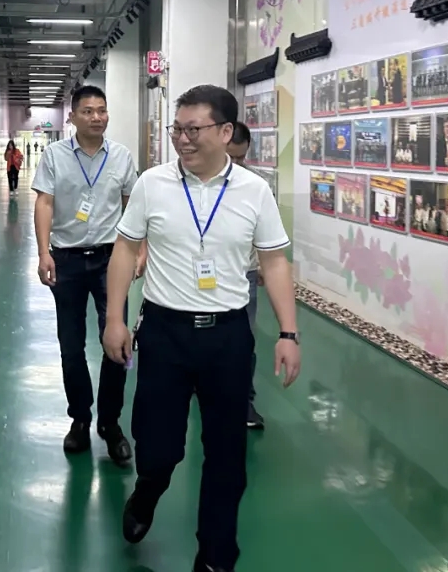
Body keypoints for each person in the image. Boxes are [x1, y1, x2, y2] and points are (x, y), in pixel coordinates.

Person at [102, 84, 301, 572]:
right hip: (164, 332)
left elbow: (274, 262)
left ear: (226, 131)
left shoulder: (254, 191)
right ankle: (148, 490)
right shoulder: (152, 184)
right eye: (178, 130)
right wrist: (114, 318)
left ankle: (215, 556)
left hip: (228, 337)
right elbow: (126, 249)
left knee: (227, 455)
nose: (183, 140)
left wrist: (288, 333)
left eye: (194, 130)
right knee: (158, 448)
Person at [33, 85, 139, 465]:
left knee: (117, 340)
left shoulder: (122, 157)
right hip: (67, 259)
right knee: (70, 344)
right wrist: (43, 252)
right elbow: (44, 202)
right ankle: (80, 418)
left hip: (112, 258)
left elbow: (132, 206)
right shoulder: (54, 156)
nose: (97, 117)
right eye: (88, 111)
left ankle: (110, 423)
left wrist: (139, 250)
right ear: (73, 116)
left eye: (102, 110)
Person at [225, 122, 267, 430]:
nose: (237, 164)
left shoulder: (256, 186)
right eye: (232, 157)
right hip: (210, 275)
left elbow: (266, 233)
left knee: (245, 339)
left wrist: (263, 263)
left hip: (246, 273)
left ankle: (244, 400)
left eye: (242, 157)